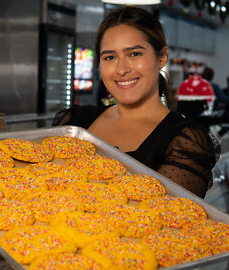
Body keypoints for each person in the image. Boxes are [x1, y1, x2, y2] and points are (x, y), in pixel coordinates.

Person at [52, 6, 219, 198]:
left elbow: (168, 220)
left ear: (162, 57)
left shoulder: (184, 141)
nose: (121, 69)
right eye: (110, 57)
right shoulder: (74, 121)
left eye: (134, 54)